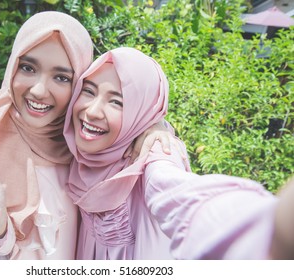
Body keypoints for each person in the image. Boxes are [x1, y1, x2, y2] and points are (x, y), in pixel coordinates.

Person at [0, 12, 174, 260]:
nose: (38, 90)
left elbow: (132, 108)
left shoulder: (83, 142)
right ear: (12, 67)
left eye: (61, 77)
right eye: (27, 68)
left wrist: (154, 125)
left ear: (78, 84)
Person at [63, 46, 293, 259]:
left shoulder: (156, 152)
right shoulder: (77, 148)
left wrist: (265, 227)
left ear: (141, 112)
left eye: (117, 102)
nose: (92, 111)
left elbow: (178, 194)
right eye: (89, 92)